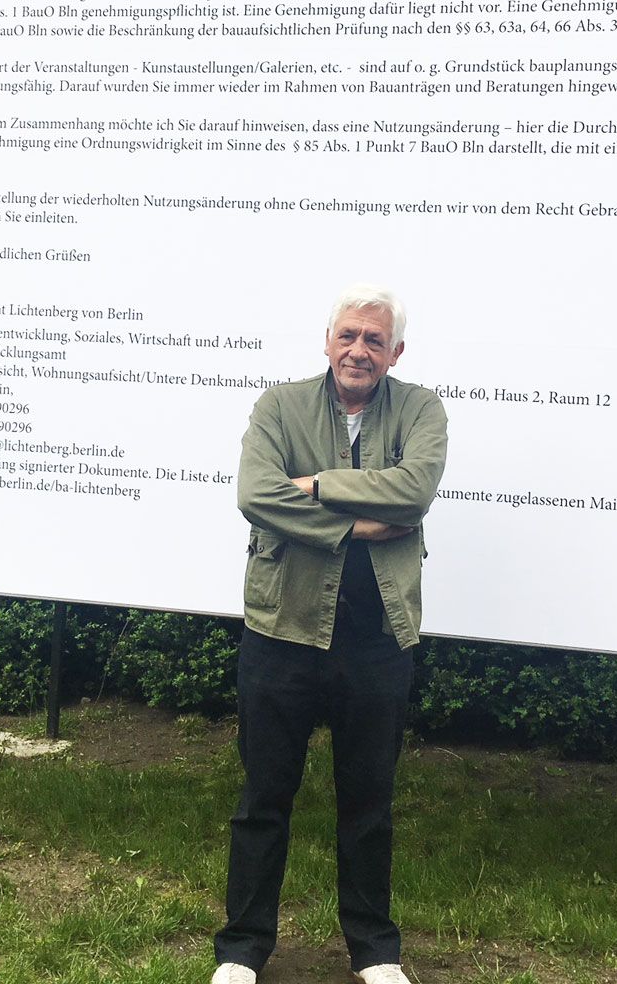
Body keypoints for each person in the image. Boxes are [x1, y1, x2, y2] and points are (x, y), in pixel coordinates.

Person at [212, 284, 448, 984]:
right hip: (281, 628)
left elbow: (413, 492)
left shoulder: (421, 410)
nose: (359, 350)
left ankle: (375, 952)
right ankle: (242, 950)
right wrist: (355, 525)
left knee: (369, 802)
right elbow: (255, 493)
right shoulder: (279, 406)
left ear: (395, 352)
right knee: (263, 798)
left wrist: (313, 485)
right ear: (327, 341)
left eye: (375, 340)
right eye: (348, 335)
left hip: (377, 637)